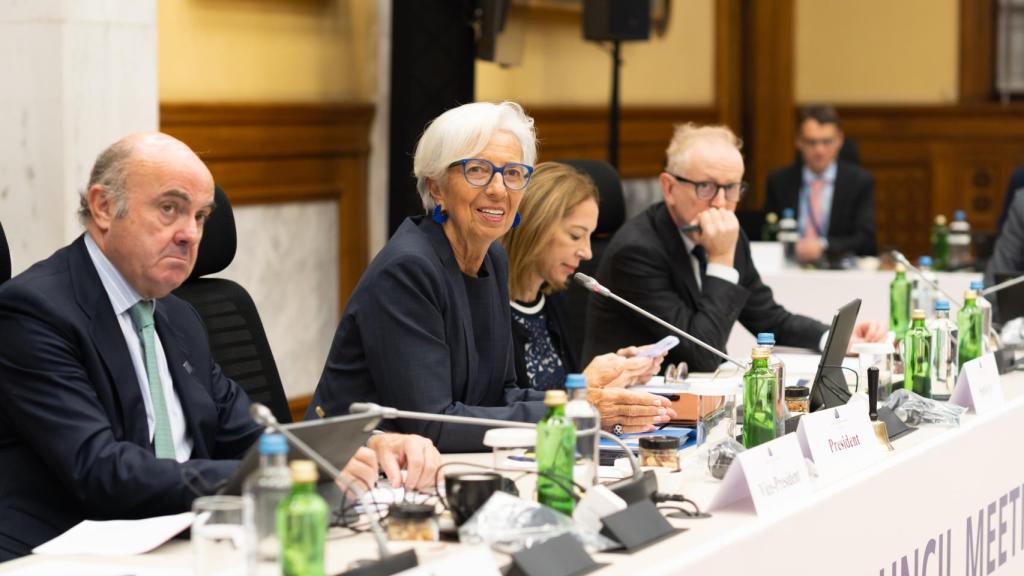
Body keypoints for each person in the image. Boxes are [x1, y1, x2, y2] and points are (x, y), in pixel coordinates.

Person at [0, 133, 439, 560]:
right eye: (170, 209)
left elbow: (248, 433)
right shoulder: (36, 311)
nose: (190, 234)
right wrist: (278, 473)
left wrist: (362, 447)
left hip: (185, 540)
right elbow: (101, 470)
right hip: (68, 551)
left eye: (200, 217)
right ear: (103, 207)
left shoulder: (177, 316)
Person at [307, 102, 673, 452]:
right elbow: (432, 423)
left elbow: (504, 393)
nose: (499, 189)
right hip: (355, 471)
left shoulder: (493, 258)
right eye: (478, 170)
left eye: (513, 173)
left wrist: (578, 401)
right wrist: (575, 414)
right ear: (436, 187)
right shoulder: (408, 270)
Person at [583, 123, 887, 372]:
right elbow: (702, 354)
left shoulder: (727, 233)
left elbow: (768, 317)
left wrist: (833, 338)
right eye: (706, 187)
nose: (720, 203)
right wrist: (721, 260)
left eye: (731, 188)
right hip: (636, 407)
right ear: (669, 187)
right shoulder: (637, 251)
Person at [764, 105, 877, 263]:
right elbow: (769, 233)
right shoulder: (779, 181)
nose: (819, 150)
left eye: (827, 142)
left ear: (839, 140)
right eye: (811, 142)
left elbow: (866, 239)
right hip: (790, 264)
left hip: (837, 267)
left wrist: (823, 246)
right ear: (798, 141)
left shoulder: (859, 182)